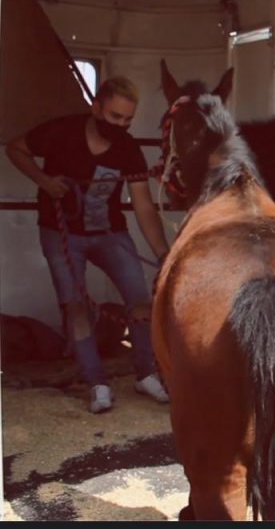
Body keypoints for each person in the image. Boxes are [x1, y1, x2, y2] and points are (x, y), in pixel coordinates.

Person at [5, 75, 171, 414]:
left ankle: (146, 373)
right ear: (96, 108)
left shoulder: (128, 149)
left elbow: (143, 206)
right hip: (61, 232)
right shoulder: (61, 132)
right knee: (76, 306)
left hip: (110, 233)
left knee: (140, 300)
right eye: (114, 117)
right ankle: (97, 383)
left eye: (127, 120)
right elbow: (15, 148)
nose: (120, 125)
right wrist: (43, 181)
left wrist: (163, 254)